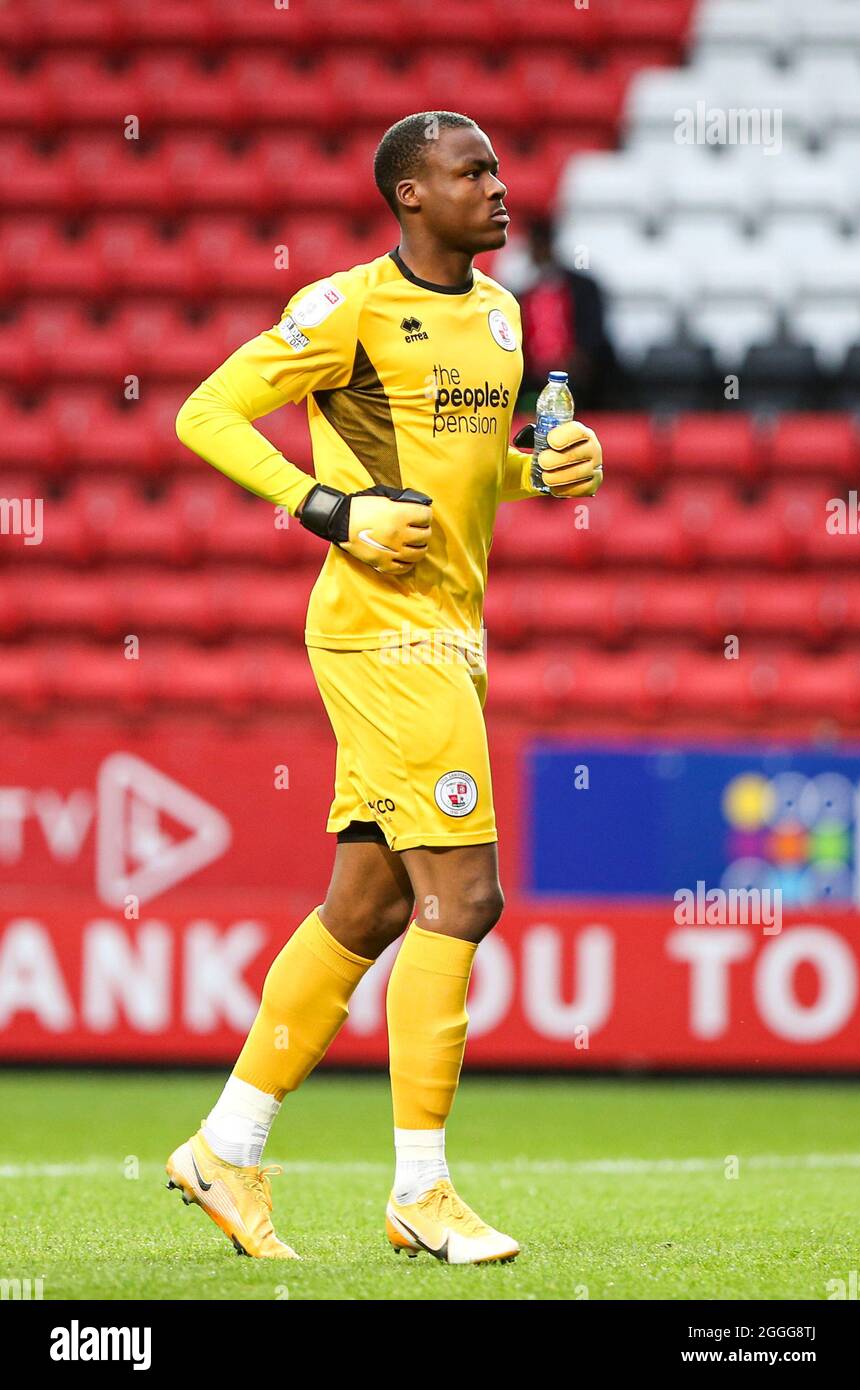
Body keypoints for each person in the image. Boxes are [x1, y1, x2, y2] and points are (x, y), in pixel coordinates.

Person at [167, 110, 603, 1266]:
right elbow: (203, 409)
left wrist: (540, 471)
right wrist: (324, 506)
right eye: (471, 174)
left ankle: (224, 1147)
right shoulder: (346, 309)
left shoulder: (503, 315)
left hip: (451, 631)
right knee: (462, 899)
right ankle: (422, 1187)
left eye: (500, 169)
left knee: (363, 909)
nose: (499, 190)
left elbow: (468, 476)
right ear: (411, 196)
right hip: (379, 633)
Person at [515, 215, 620, 413]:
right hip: (532, 380)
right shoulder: (522, 294)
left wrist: (577, 359)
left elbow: (593, 331)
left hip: (580, 379)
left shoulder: (583, 288)